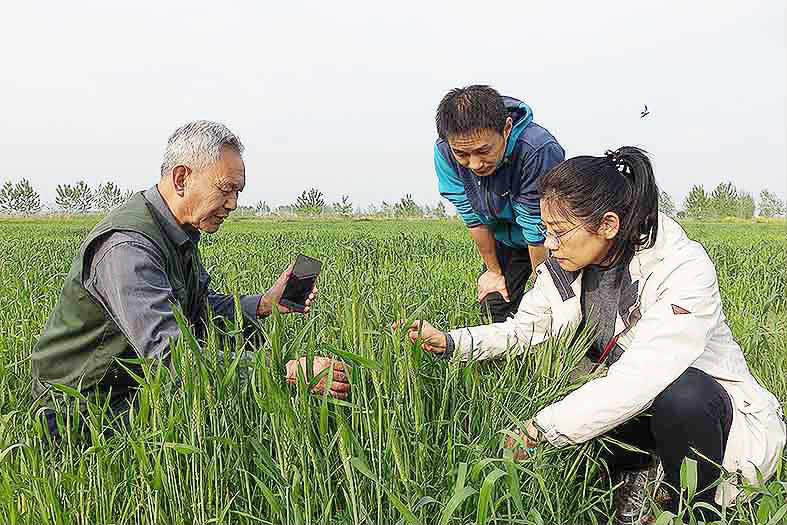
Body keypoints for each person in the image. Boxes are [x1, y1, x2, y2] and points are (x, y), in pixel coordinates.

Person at [400, 147, 785, 521]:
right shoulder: (564, 267)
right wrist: (452, 342)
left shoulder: (681, 270)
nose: (549, 244)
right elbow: (526, 329)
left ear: (608, 225)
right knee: (594, 401)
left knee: (683, 394)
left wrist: (540, 431)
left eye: (560, 232)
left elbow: (641, 377)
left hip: (706, 418)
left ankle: (692, 509)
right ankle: (635, 482)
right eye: (546, 230)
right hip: (625, 408)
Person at [31, 120, 350, 439]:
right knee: (223, 432)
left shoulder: (176, 231)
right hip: (81, 413)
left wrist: (265, 304)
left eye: (237, 192)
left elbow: (195, 308)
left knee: (243, 344)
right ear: (182, 178)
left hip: (131, 389)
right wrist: (286, 373)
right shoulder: (129, 249)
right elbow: (172, 355)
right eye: (225, 189)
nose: (232, 204)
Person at [434, 85, 565, 322]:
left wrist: (541, 288)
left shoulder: (537, 149)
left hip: (550, 237)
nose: (474, 164)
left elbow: (536, 227)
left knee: (554, 309)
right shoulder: (444, 152)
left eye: (483, 151)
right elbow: (471, 216)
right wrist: (494, 272)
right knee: (494, 307)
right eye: (462, 154)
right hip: (505, 238)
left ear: (506, 128)